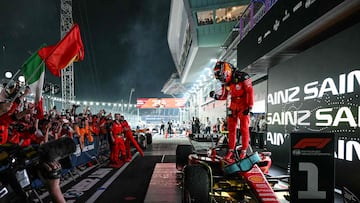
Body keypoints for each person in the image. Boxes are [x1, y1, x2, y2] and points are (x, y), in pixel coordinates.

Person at [209, 61, 254, 162]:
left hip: (243, 104)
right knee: (231, 129)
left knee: (244, 128)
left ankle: (244, 151)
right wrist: (215, 96)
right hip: (233, 104)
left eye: (221, 76)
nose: (222, 80)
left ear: (226, 71)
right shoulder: (226, 83)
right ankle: (231, 150)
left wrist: (250, 106)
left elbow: (250, 91)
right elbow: (224, 96)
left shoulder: (243, 77)